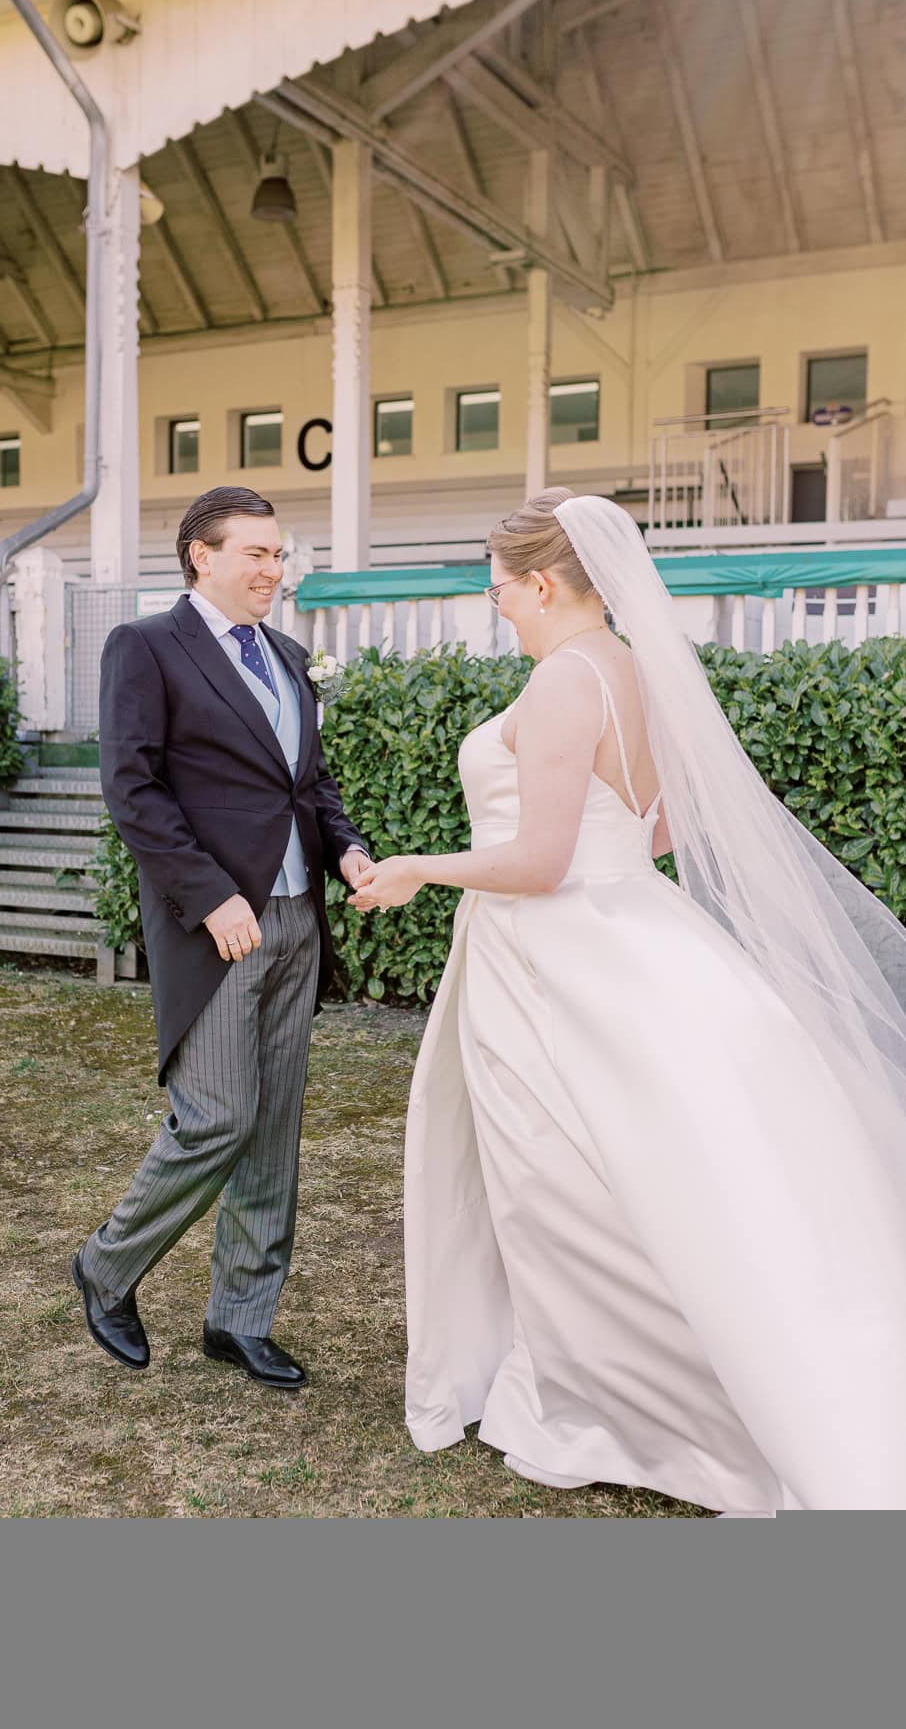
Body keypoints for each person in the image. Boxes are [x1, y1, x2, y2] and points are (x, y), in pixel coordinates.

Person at [351, 487, 906, 1514]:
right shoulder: (635, 671)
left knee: (566, 1186)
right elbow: (653, 827)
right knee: (661, 1171)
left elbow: (544, 860)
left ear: (546, 582)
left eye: (501, 587)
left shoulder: (567, 682)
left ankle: (639, 1408)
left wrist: (419, 867)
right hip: (636, 930)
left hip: (560, 962)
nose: (497, 603)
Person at [73, 486, 369, 1389]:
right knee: (220, 1116)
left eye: (281, 556)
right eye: (258, 554)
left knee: (273, 1127)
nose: (274, 572)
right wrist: (209, 897)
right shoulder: (147, 647)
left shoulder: (287, 654)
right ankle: (107, 1265)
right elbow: (134, 790)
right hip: (218, 927)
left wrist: (349, 848)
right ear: (202, 555)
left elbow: (305, 786)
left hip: (295, 918)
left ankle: (239, 1319)